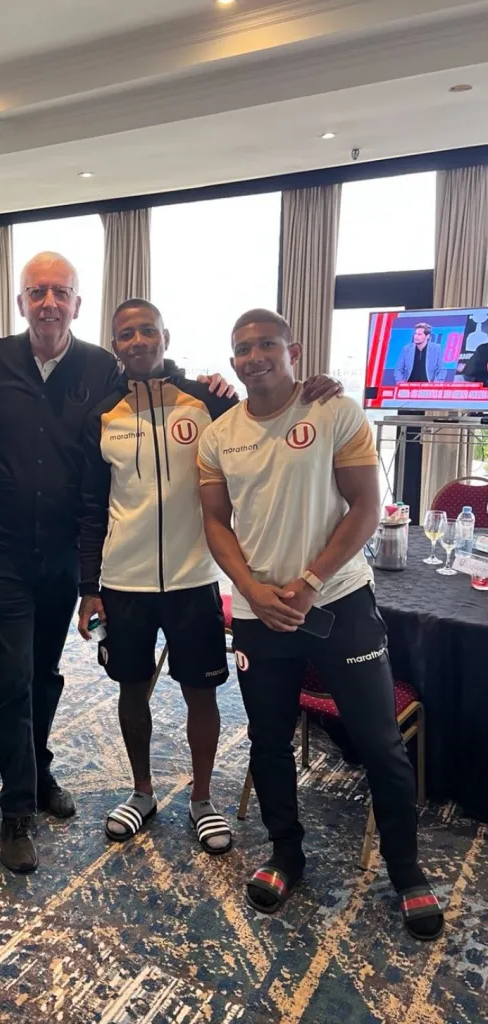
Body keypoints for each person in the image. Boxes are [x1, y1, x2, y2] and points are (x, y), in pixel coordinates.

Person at [0, 252, 343, 874]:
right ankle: (17, 809)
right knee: (14, 679)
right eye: (37, 292)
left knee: (49, 675)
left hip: (73, 557)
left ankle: (45, 768)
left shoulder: (103, 369)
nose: (49, 301)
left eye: (61, 292)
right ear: (21, 302)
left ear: (77, 305)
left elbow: (175, 387)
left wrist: (283, 386)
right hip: (1, 552)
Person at [198, 308, 444, 942]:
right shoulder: (219, 435)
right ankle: (286, 854)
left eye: (266, 345)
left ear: (293, 349)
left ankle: (407, 870)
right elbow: (216, 524)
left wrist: (308, 583)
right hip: (259, 614)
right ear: (233, 362)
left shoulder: (334, 411)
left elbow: (365, 507)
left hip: (337, 602)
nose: (255, 357)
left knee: (380, 744)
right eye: (242, 349)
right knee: (269, 740)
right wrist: (251, 589)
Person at [77, 300, 236, 854]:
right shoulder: (102, 414)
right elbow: (92, 510)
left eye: (147, 330)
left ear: (165, 336)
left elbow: (262, 428)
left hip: (194, 577)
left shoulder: (209, 400)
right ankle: (141, 791)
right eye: (126, 334)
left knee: (202, 691)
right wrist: (89, 588)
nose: (138, 340)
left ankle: (202, 798)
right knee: (131, 689)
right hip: (125, 581)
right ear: (115, 344)